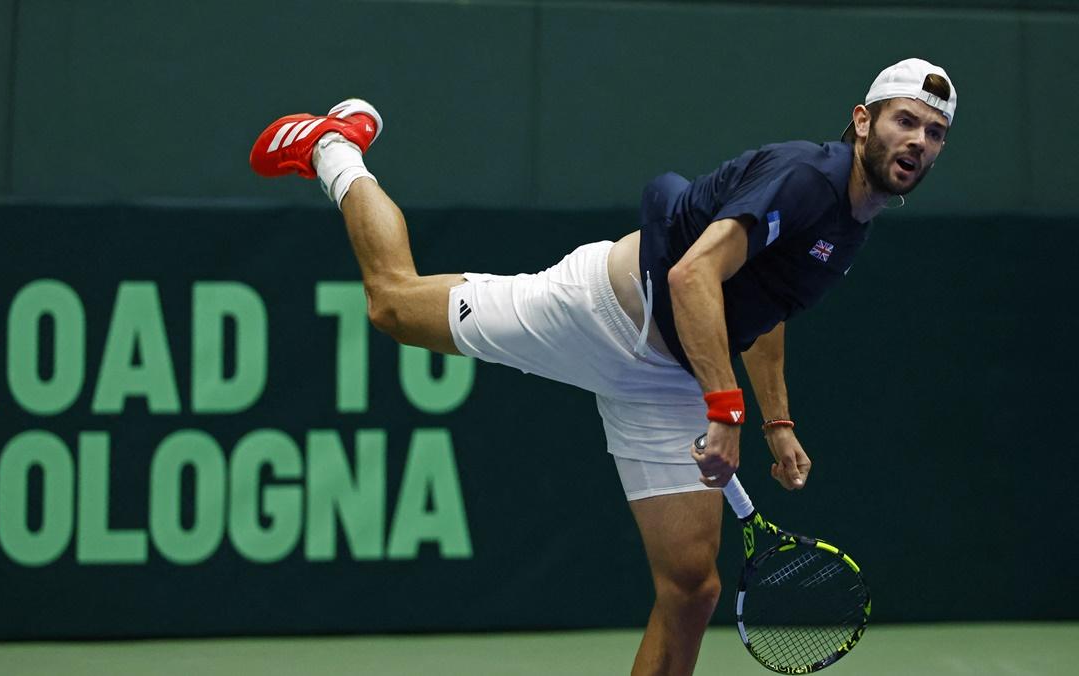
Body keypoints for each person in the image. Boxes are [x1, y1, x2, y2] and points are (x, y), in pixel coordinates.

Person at [249, 58, 956, 676]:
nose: (918, 142)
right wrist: (725, 411)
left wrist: (775, 420)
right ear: (862, 121)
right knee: (393, 306)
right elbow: (692, 278)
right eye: (905, 121)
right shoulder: (807, 180)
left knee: (691, 588)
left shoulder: (854, 220)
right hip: (603, 314)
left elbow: (763, 306)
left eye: (935, 133)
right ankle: (336, 148)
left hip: (671, 376)